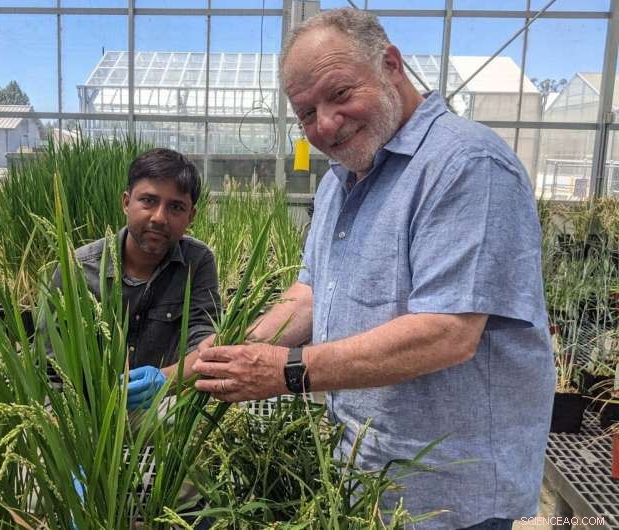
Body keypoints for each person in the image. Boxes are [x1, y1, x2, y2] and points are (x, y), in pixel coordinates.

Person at [192, 9, 554, 530]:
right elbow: (312, 294)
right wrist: (232, 352)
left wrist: (285, 370)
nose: (326, 124)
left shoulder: (467, 164)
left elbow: (447, 333)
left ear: (390, 64)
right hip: (366, 482)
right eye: (306, 113)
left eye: (339, 95)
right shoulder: (340, 181)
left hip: (454, 500)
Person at [49, 147, 220, 410]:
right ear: (127, 202)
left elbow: (206, 346)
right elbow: (50, 364)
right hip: (89, 412)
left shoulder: (197, 263)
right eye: (149, 201)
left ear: (191, 216)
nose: (159, 218)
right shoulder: (77, 269)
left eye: (175, 207)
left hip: (164, 407)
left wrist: (164, 379)